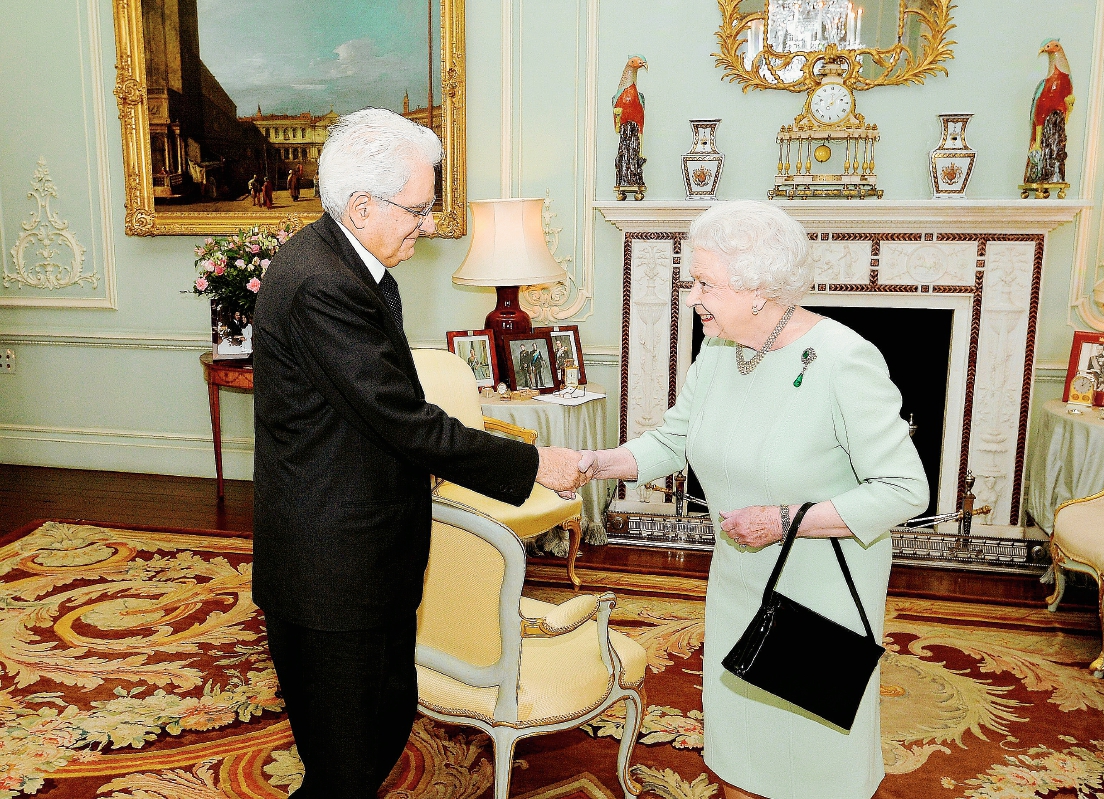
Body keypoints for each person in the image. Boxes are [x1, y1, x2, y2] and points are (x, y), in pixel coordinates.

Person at [252, 107, 588, 799]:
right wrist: (532, 465)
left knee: (377, 729)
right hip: (330, 569)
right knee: (346, 762)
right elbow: (405, 421)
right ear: (363, 204)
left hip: (367, 553)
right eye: (420, 208)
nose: (429, 224)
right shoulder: (323, 282)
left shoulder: (348, 262)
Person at [576, 200, 928, 799]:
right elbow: (675, 438)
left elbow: (904, 489)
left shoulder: (844, 360)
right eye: (693, 281)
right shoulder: (720, 350)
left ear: (761, 290)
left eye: (705, 283)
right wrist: (595, 464)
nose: (693, 297)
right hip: (739, 572)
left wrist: (785, 521)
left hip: (821, 584)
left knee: (812, 746)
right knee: (741, 725)